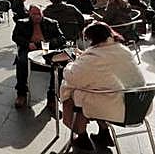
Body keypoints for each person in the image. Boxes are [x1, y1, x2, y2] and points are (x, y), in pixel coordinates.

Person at [60, 22, 145, 151]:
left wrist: (70, 64)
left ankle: (82, 137)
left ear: (92, 39)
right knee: (100, 88)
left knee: (76, 93)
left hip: (116, 109)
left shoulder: (94, 57)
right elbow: (107, 70)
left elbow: (73, 76)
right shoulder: (122, 50)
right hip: (138, 106)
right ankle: (104, 133)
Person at [11, 5, 65, 110]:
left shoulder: (52, 23)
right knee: (21, 62)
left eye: (39, 14)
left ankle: (52, 96)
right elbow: (15, 37)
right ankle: (21, 93)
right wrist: (27, 43)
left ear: (42, 13)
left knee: (60, 66)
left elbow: (62, 38)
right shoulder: (22, 23)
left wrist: (49, 43)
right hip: (29, 48)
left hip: (47, 49)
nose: (37, 16)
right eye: (34, 14)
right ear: (29, 14)